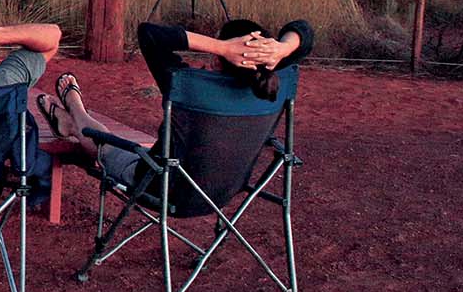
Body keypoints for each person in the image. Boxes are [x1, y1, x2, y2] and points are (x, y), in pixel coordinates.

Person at [36, 17, 315, 177]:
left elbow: (149, 33)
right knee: (123, 147)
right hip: (226, 189)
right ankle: (71, 118)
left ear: (218, 59)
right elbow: (304, 30)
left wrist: (220, 47)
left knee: (106, 144)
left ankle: (74, 113)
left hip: (159, 183)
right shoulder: (272, 86)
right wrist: (282, 49)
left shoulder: (190, 86)